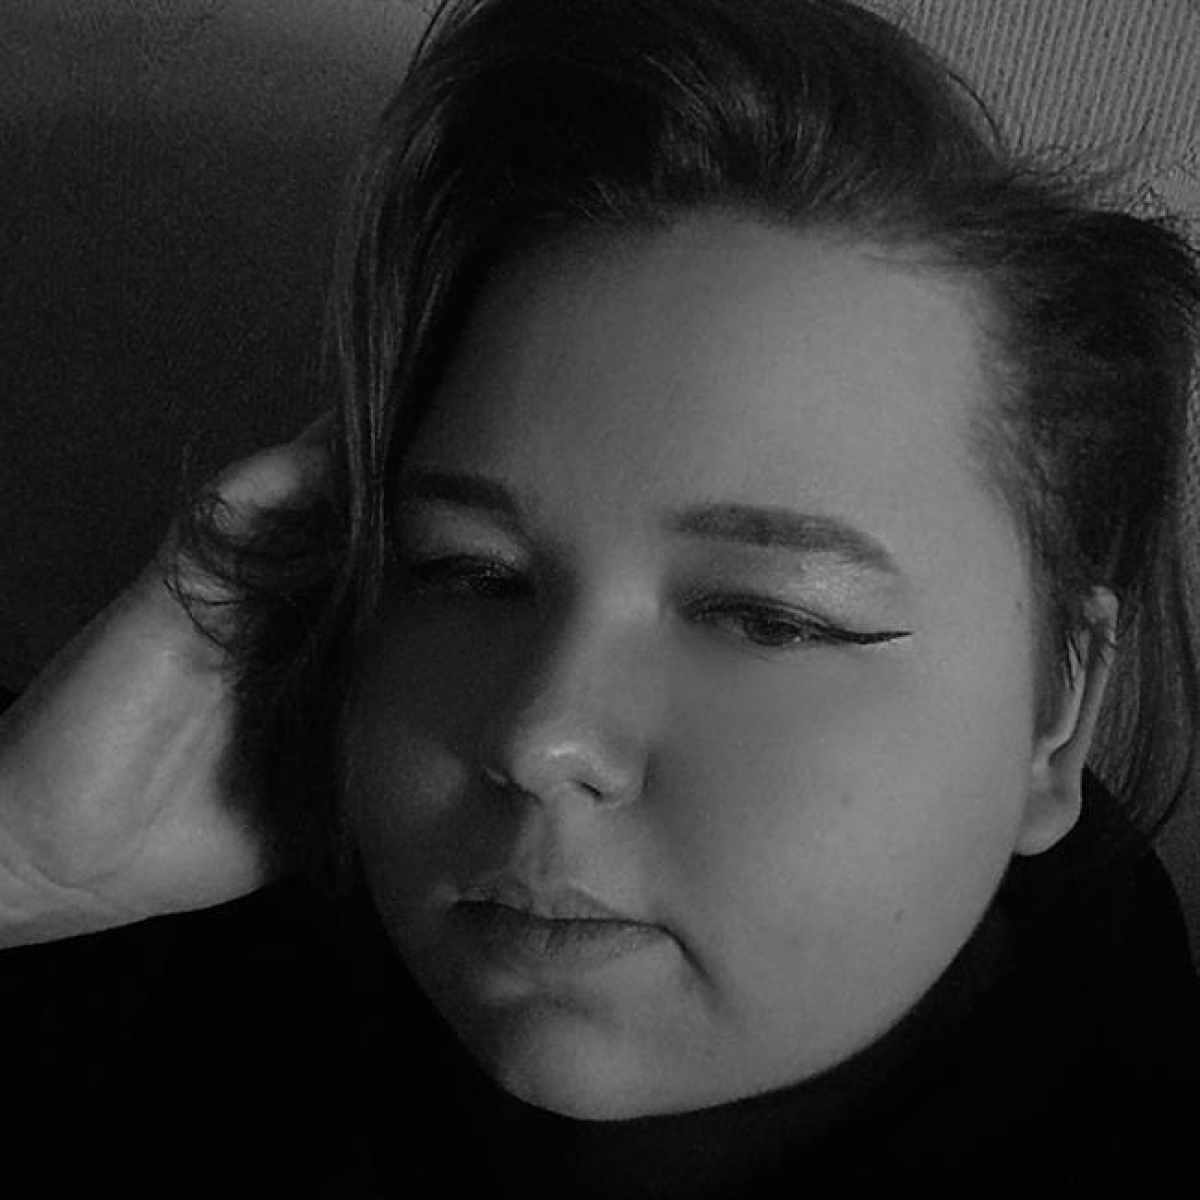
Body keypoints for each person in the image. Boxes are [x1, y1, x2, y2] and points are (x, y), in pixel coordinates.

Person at [2, 0, 1198, 1195]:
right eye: (469, 574)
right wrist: (30, 871)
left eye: (763, 621)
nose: (540, 740)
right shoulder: (141, 998)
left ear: (1056, 717)